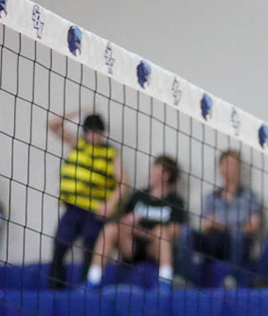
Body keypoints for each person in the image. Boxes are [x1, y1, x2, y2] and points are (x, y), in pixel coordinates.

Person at [45, 109, 118, 289]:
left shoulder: (111, 153)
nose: (95, 137)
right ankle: (55, 289)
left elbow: (124, 182)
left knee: (90, 248)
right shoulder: (77, 144)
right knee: (59, 244)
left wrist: (111, 204)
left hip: (94, 211)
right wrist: (81, 110)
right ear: (85, 133)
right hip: (73, 208)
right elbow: (53, 124)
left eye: (98, 133)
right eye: (91, 132)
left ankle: (87, 287)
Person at [92, 154, 186, 286]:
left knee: (160, 231)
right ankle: (93, 280)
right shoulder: (138, 196)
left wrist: (144, 232)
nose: (151, 171)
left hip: (155, 249)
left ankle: (165, 283)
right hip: (132, 246)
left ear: (166, 175)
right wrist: (130, 224)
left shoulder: (175, 201)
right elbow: (122, 223)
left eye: (155, 168)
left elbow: (175, 231)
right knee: (110, 229)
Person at [193, 149, 263, 286]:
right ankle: (187, 280)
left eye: (233, 164)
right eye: (226, 164)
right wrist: (214, 225)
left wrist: (224, 226)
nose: (230, 168)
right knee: (189, 233)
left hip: (238, 242)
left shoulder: (250, 196)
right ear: (220, 168)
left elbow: (253, 226)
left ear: (239, 168)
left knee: (237, 235)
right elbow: (205, 225)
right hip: (216, 241)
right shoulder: (211, 197)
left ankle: (232, 279)